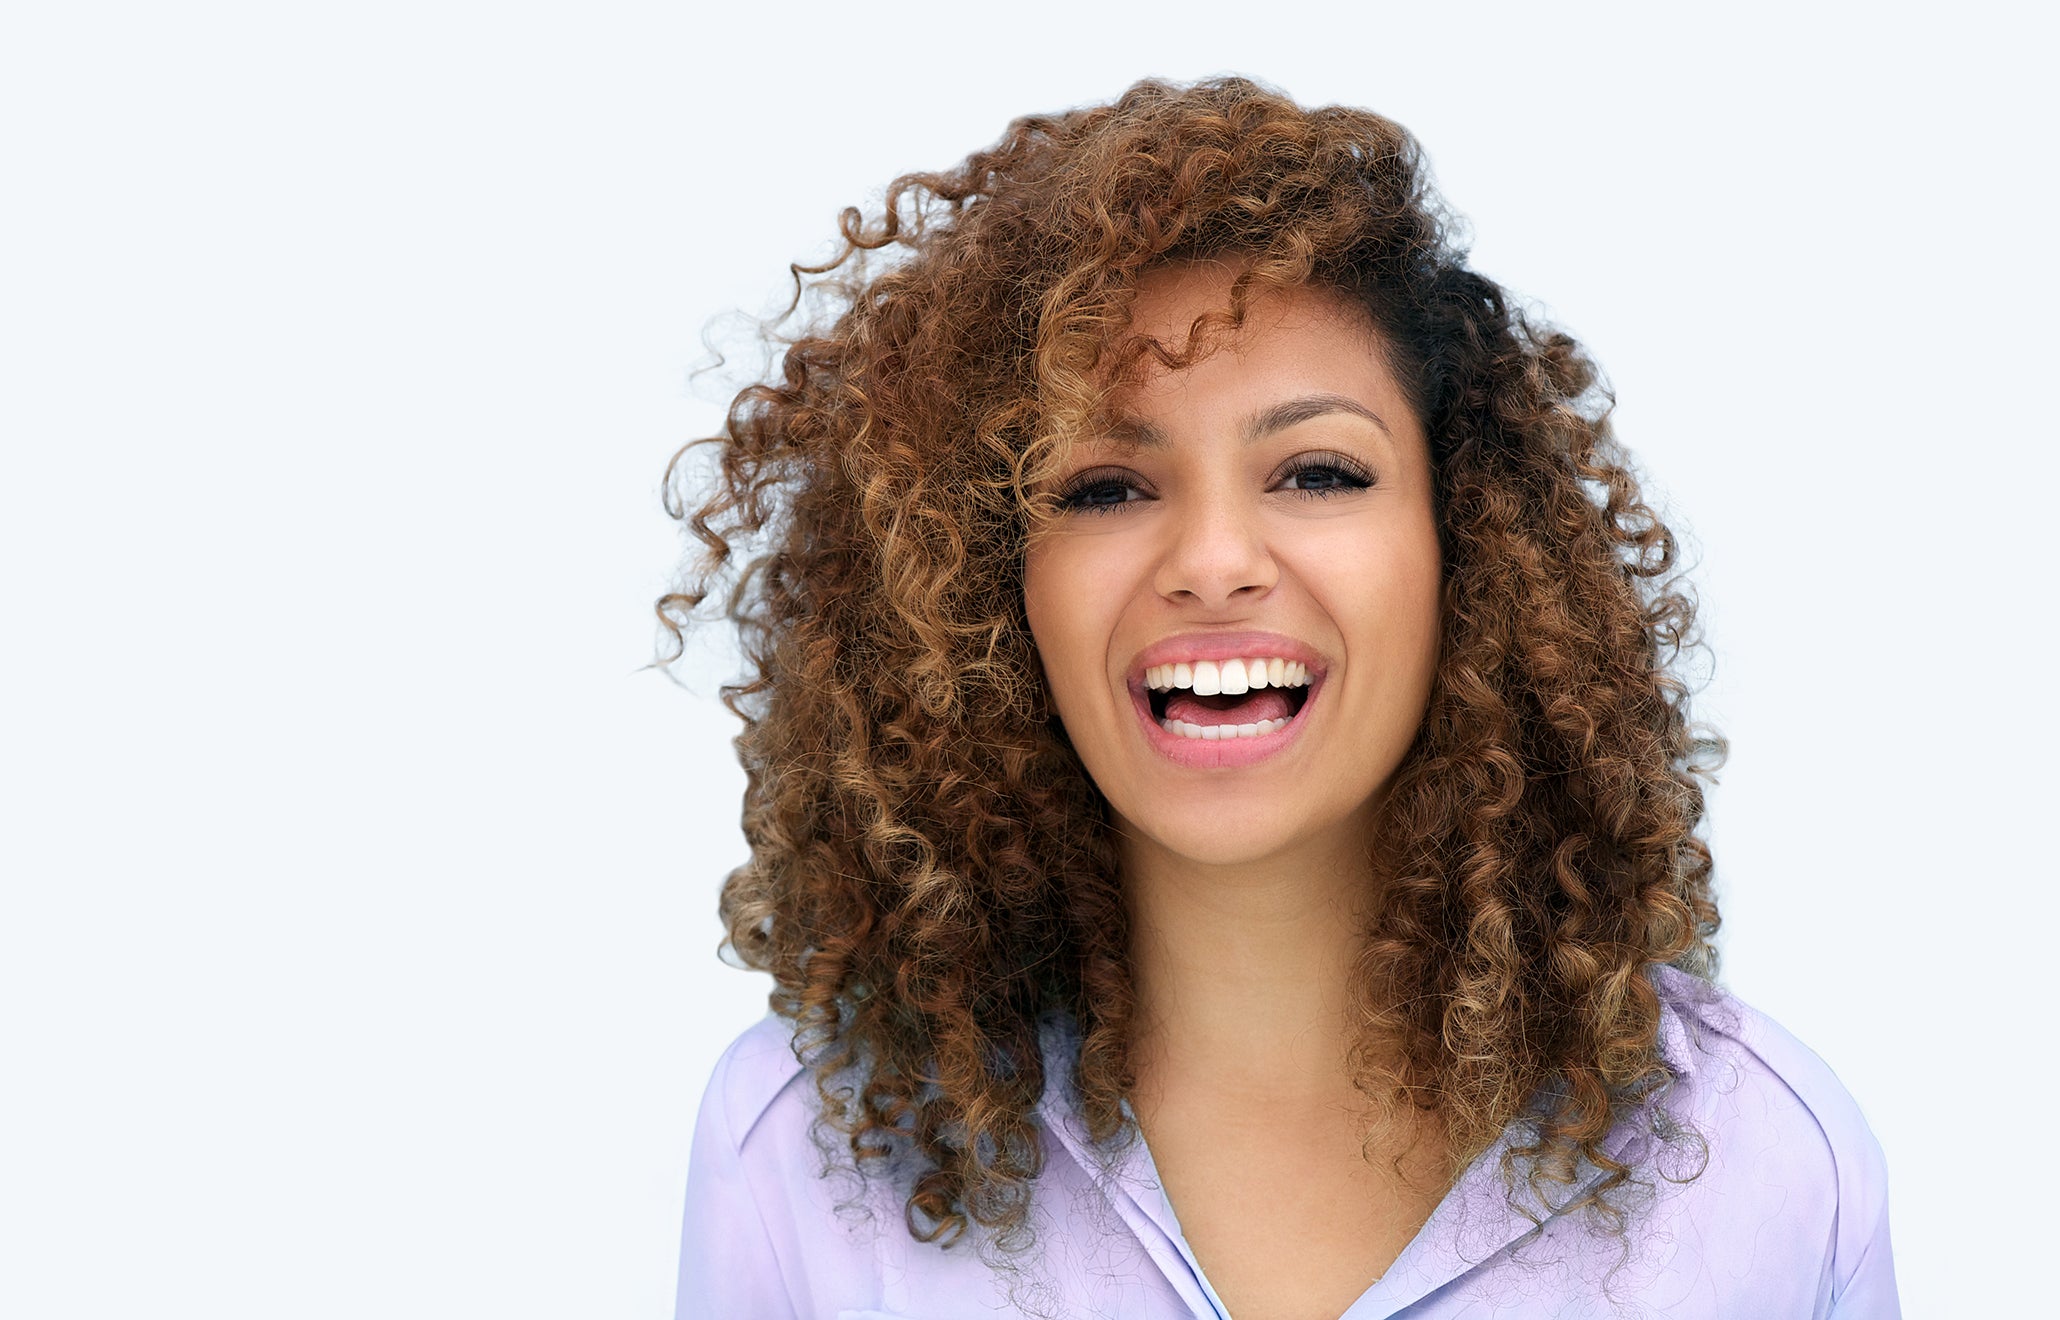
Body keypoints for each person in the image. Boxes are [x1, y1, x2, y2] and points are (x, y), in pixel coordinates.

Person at [658, 77, 1898, 1320]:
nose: (1210, 561)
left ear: (1462, 546)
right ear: (986, 587)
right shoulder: (802, 1161)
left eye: (1314, 472)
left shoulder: (1760, 1169)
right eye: (1100, 488)